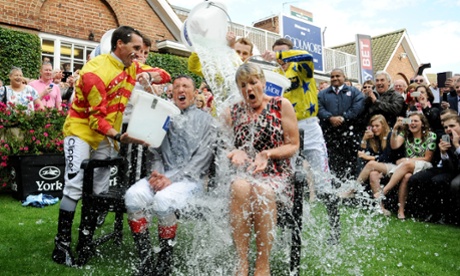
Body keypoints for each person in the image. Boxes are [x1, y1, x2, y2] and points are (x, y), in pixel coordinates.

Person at [51, 26, 171, 267]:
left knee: (98, 190)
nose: (139, 54)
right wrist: (120, 137)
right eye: (136, 48)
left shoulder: (133, 66)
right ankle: (61, 244)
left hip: (108, 137)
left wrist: (150, 76)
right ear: (119, 45)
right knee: (74, 187)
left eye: (142, 50)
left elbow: (165, 75)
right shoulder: (94, 72)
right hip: (82, 131)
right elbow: (96, 120)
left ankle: (86, 241)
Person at [124, 75, 216, 275]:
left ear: (194, 93)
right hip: (162, 177)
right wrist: (157, 173)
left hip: (190, 182)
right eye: (176, 87)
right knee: (133, 196)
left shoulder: (206, 120)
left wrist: (171, 179)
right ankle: (146, 258)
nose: (181, 90)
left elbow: (202, 159)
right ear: (172, 93)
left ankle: (165, 261)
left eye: (186, 86)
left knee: (163, 200)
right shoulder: (165, 116)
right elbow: (155, 150)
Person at [262, 38, 340, 243]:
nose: (280, 58)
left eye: (283, 53)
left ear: (290, 52)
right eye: (276, 53)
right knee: (285, 181)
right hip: (286, 129)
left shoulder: (303, 66)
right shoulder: (276, 76)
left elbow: (306, 56)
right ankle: (285, 232)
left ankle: (335, 228)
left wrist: (278, 54)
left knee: (323, 182)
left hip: (310, 126)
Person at [225, 62, 299, 276]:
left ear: (263, 83)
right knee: (239, 187)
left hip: (277, 173)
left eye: (253, 82)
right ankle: (241, 262)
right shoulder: (233, 111)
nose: (249, 88)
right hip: (245, 173)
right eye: (243, 85)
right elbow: (222, 144)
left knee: (262, 191)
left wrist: (268, 154)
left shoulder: (281, 104)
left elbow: (293, 144)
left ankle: (262, 263)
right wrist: (234, 152)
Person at [363, 113, 436, 219]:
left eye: (416, 121)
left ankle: (384, 191)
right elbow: (394, 145)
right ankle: (396, 210)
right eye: (410, 121)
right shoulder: (405, 133)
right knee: (402, 176)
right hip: (405, 167)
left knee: (405, 164)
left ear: (423, 123)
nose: (413, 123)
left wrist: (407, 160)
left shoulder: (431, 135)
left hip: (423, 164)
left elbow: (427, 158)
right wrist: (395, 130)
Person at [318, 68, 364, 181]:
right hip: (330, 135)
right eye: (332, 77)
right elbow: (318, 108)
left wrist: (344, 118)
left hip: (349, 134)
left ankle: (351, 190)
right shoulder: (323, 94)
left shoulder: (354, 92)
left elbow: (358, 107)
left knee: (351, 164)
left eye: (338, 76)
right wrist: (330, 118)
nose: (335, 78)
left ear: (344, 77)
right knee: (332, 163)